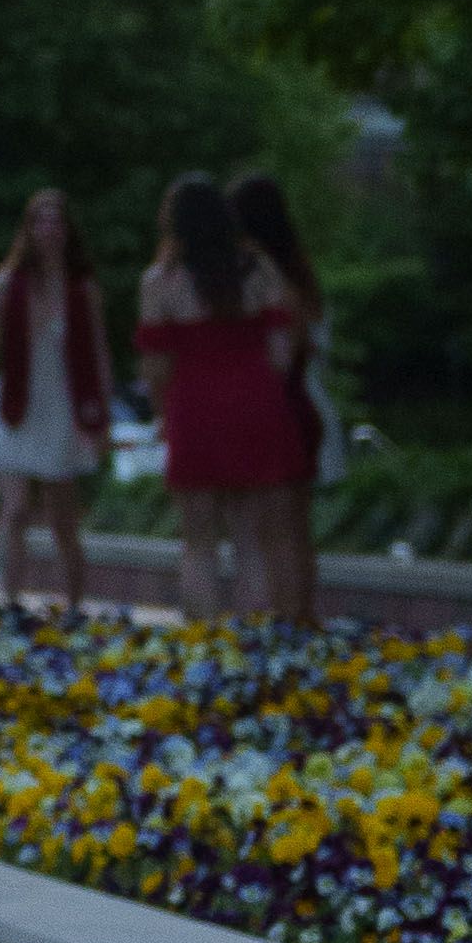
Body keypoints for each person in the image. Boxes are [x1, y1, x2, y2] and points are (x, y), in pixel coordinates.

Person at [138, 170, 311, 625]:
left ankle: (204, 635)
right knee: (249, 532)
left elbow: (156, 365)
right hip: (255, 399)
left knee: (198, 538)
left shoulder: (161, 280)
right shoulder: (257, 269)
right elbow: (281, 349)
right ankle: (254, 631)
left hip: (195, 405)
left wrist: (165, 411)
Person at [0, 185, 108, 614]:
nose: (48, 229)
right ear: (27, 229)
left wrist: (102, 419)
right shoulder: (5, 286)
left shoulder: (82, 289)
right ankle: (8, 601)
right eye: (39, 220)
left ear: (67, 230)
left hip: (63, 409)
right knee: (16, 508)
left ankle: (75, 606)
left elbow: (98, 353)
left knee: (64, 519)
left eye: (56, 220)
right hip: (15, 406)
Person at [227, 167, 334, 627]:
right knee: (295, 524)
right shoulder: (299, 275)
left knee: (273, 524)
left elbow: (281, 353)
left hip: (278, 401)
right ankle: (300, 613)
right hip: (307, 400)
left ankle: (284, 615)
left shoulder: (265, 279)